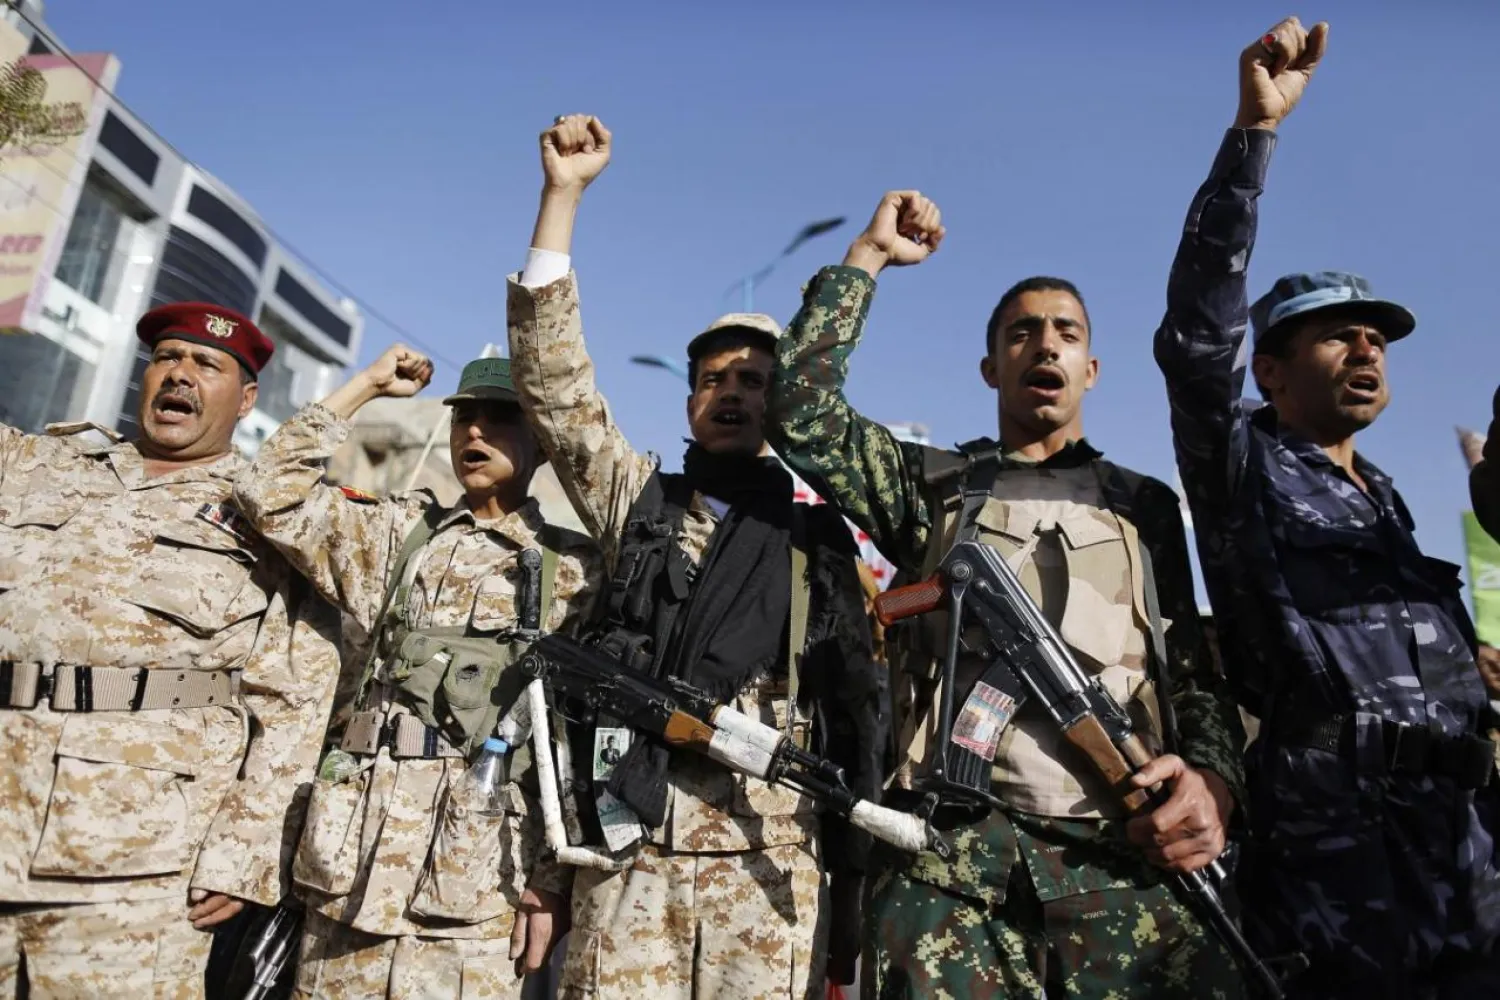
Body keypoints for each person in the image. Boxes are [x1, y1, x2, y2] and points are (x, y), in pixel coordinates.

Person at [766, 185, 1247, 994]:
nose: (1045, 346)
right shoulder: (936, 488)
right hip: (951, 865)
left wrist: (1216, 783)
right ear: (992, 366)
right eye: (1022, 333)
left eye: (1066, 333)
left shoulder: (1144, 504)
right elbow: (801, 413)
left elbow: (1189, 669)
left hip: (1119, 854)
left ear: (1091, 369)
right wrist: (870, 258)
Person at [1153, 16, 1500, 997]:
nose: (1367, 348)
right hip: (1343, 873)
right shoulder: (1243, 465)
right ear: (1270, 368)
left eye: (1377, 337)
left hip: (1459, 858)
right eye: (1337, 336)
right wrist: (1252, 137)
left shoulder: (1385, 496)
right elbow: (1194, 336)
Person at [506, 114, 885, 999]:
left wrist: (857, 888)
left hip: (767, 861)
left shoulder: (814, 534)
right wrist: (562, 198)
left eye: (755, 379)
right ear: (687, 404)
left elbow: (859, 710)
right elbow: (555, 391)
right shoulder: (639, 501)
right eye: (715, 378)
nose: (733, 392)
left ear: (784, 402)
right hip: (627, 846)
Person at [232, 348, 602, 999]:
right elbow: (269, 492)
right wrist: (367, 387)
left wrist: (552, 879)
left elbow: (579, 741)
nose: (476, 433)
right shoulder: (399, 531)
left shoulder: (575, 572)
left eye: (500, 420)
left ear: (543, 441)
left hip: (476, 882)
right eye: (465, 420)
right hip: (348, 869)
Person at [0, 303, 342, 997]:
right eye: (166, 359)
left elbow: (294, 694)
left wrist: (246, 853)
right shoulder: (39, 464)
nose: (179, 375)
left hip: (136, 859)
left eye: (205, 365)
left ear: (246, 400)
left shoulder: (270, 517)